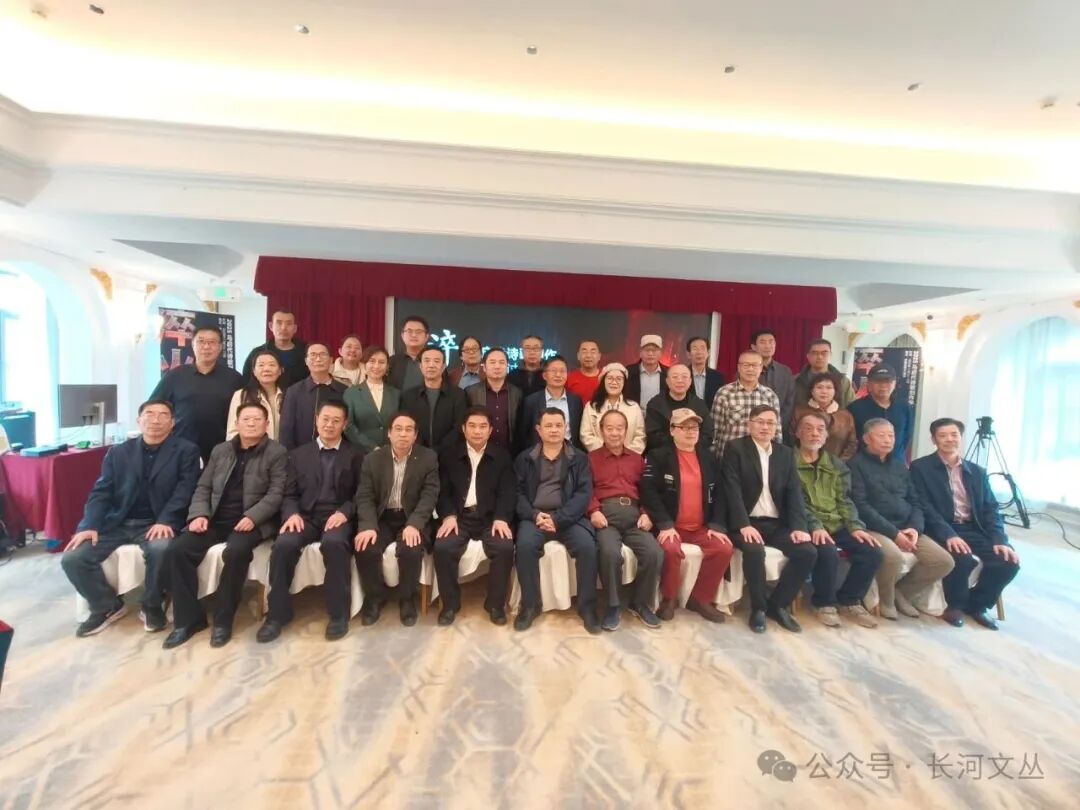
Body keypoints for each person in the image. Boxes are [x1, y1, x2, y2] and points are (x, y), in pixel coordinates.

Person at [62, 400, 201, 637]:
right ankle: (106, 606)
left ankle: (152, 605)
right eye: (149, 414)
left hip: (157, 522)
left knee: (161, 549)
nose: (155, 420)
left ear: (172, 423)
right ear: (139, 421)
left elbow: (185, 491)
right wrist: (89, 525)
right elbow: (101, 492)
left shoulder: (186, 451)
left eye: (163, 415)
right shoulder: (119, 452)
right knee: (73, 558)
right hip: (117, 522)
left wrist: (166, 520)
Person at [162, 403, 288, 649]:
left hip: (253, 522)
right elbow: (203, 487)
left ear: (267, 424)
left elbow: (276, 493)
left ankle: (223, 619)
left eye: (257, 419)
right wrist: (199, 514)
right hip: (215, 519)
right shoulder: (221, 450)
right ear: (236, 423)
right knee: (178, 550)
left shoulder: (277, 452)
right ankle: (188, 620)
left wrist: (253, 516)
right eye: (246, 419)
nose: (251, 423)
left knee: (236, 552)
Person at [256, 401, 365, 643]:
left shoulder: (356, 454)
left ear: (345, 424)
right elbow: (288, 493)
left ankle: (338, 615)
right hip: (305, 516)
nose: (329, 425)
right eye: (325, 419)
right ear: (316, 420)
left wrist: (345, 512)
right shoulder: (297, 455)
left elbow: (363, 494)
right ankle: (276, 615)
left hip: (338, 516)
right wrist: (292, 514)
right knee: (284, 545)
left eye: (336, 421)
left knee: (335, 544)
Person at [911, 418, 1020, 630]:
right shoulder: (920, 467)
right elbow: (924, 506)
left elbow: (990, 508)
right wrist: (949, 534)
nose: (949, 439)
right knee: (962, 558)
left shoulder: (977, 472)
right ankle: (955, 606)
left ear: (961, 437)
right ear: (933, 439)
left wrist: (1000, 539)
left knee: (1008, 561)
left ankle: (977, 605)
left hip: (973, 528)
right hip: (940, 527)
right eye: (943, 435)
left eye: (954, 435)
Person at [848, 418, 955, 620]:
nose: (888, 440)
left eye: (891, 435)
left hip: (906, 527)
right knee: (893, 557)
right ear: (866, 439)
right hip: (874, 527)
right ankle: (886, 599)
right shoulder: (855, 465)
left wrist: (914, 528)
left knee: (943, 561)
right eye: (881, 435)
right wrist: (894, 534)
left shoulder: (900, 466)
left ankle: (902, 592)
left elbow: (916, 501)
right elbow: (861, 506)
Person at [721, 404, 814, 634]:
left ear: (776, 427)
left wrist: (799, 526)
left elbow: (794, 492)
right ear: (750, 424)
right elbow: (731, 489)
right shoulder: (736, 448)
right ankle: (759, 608)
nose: (765, 427)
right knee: (754, 551)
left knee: (807, 552)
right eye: (760, 422)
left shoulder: (785, 454)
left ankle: (778, 605)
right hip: (746, 522)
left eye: (770, 423)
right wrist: (743, 524)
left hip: (776, 523)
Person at [640, 408, 733, 624]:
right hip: (672, 524)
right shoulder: (658, 456)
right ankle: (669, 599)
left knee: (724, 548)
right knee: (671, 549)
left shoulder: (709, 457)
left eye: (694, 427)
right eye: (684, 427)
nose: (691, 432)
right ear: (672, 430)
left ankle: (700, 599)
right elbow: (648, 492)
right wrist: (665, 524)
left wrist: (717, 525)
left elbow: (721, 493)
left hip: (701, 526)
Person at [793, 411, 883, 629]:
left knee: (872, 551)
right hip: (805, 524)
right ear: (797, 433)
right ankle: (824, 603)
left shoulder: (836, 464)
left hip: (836, 523)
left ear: (826, 436)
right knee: (827, 551)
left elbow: (845, 500)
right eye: (808, 429)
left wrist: (855, 527)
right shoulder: (788, 462)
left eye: (820, 430)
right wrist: (815, 526)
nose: (815, 434)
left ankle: (850, 600)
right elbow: (795, 502)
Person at [513, 408, 599, 634]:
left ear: (566, 428)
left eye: (558, 425)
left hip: (567, 517)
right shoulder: (525, 458)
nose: (554, 430)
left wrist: (559, 519)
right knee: (524, 546)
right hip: (535, 517)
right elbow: (517, 494)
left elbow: (583, 494)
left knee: (587, 547)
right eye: (548, 426)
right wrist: (534, 515)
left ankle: (587, 607)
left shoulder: (579, 458)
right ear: (538, 430)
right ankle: (530, 606)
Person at [350, 412, 439, 627]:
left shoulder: (428, 458)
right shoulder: (373, 459)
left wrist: (414, 524)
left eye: (409, 430)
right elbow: (364, 496)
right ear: (389, 433)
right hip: (383, 517)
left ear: (415, 435)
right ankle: (375, 597)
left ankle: (407, 598)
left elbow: (429, 495)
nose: (403, 434)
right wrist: (368, 526)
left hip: (412, 516)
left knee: (411, 548)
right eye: (398, 429)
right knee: (365, 547)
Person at [433, 406, 516, 626]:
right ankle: (450, 604)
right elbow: (442, 492)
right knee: (443, 547)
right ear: (463, 429)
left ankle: (495, 605)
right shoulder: (450, 455)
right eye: (472, 426)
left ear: (490, 430)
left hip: (490, 518)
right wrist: (448, 515)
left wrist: (501, 517)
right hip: (460, 518)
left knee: (504, 547)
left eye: (482, 426)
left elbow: (508, 492)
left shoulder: (502, 456)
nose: (477, 431)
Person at [588, 410, 664, 631]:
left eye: (619, 428)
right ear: (601, 431)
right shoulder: (590, 459)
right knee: (610, 553)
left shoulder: (637, 459)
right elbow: (585, 490)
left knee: (654, 552)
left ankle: (639, 603)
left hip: (634, 516)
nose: (615, 433)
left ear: (626, 430)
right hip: (606, 516)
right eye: (609, 428)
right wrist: (593, 511)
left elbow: (648, 491)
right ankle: (613, 605)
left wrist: (647, 513)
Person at [151, 324, 243, 462]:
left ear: (220, 347)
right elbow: (154, 406)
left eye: (212, 342)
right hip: (180, 448)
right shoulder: (175, 375)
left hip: (223, 450)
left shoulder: (234, 378)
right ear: (193, 345)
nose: (206, 347)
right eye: (201, 341)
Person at [709, 350, 782, 458]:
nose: (750, 369)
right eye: (746, 365)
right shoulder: (724, 393)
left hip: (760, 457)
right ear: (739, 367)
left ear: (761, 368)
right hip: (730, 456)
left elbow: (777, 431)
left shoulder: (770, 396)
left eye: (754, 365)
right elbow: (715, 429)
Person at [279, 343, 347, 450]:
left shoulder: (344, 391)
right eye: (313, 355)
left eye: (322, 354)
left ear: (331, 360)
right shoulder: (294, 391)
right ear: (306, 361)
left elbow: (348, 427)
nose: (318, 359)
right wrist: (291, 455)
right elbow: (286, 429)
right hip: (300, 453)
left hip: (337, 452)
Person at [401, 346, 468, 452]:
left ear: (443, 366)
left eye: (436, 361)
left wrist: (438, 450)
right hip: (417, 453)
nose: (431, 365)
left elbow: (459, 427)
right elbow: (406, 424)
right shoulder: (409, 396)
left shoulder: (458, 395)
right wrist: (423, 451)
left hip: (449, 453)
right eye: (427, 361)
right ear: (420, 366)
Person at [466, 347, 524, 456]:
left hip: (509, 453)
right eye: (492, 362)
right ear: (484, 367)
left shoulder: (517, 393)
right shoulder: (471, 392)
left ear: (507, 366)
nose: (497, 366)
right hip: (479, 453)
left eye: (502, 362)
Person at [519, 355, 584, 450]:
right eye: (553, 371)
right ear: (544, 375)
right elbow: (524, 434)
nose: (558, 375)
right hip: (540, 453)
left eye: (562, 371)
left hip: (570, 453)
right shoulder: (531, 401)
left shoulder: (575, 401)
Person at [848, 364, 915, 456]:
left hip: (896, 461)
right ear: (869, 384)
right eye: (878, 381)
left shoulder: (905, 407)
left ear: (895, 384)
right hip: (865, 461)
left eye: (887, 381)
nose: (883, 385)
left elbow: (907, 436)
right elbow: (850, 440)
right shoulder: (855, 408)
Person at [579, 362, 646, 454]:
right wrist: (606, 452)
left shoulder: (634, 407)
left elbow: (640, 436)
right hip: (600, 457)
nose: (614, 382)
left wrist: (625, 454)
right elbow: (586, 435)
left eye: (619, 379)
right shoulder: (591, 407)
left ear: (624, 383)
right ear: (603, 381)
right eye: (610, 378)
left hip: (628, 458)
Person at [645, 363, 713, 452]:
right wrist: (680, 445)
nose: (680, 380)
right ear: (667, 381)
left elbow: (708, 434)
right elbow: (653, 437)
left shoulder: (699, 404)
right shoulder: (655, 404)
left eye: (684, 377)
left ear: (690, 381)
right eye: (675, 377)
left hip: (694, 452)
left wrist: (690, 447)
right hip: (665, 453)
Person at [344, 345, 401, 452]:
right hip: (361, 452)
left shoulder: (395, 393)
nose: (376, 366)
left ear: (387, 367)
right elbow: (348, 426)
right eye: (372, 361)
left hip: (391, 452)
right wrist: (372, 447)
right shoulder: (351, 393)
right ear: (364, 365)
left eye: (381, 362)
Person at [792, 373, 857, 461]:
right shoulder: (798, 412)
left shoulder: (845, 416)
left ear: (835, 391)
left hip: (837, 465)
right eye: (819, 387)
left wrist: (838, 463)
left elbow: (852, 444)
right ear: (812, 391)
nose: (824, 391)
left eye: (829, 388)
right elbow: (791, 439)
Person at [241, 309, 309, 390]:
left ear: (295, 328)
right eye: (279, 323)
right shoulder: (257, 353)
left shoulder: (307, 352)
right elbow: (246, 381)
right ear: (271, 326)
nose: (283, 328)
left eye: (288, 324)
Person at [226, 349, 284, 441]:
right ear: (254, 371)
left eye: (272, 365)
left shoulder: (288, 395)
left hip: (282, 449)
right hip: (250, 449)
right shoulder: (242, 395)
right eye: (261, 365)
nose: (266, 369)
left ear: (280, 370)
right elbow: (233, 432)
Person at [751, 329, 795, 442]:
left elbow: (789, 403)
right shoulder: (747, 371)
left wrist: (775, 425)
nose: (767, 346)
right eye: (762, 342)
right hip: (753, 430)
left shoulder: (785, 372)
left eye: (771, 342)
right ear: (754, 347)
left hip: (780, 431)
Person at [794, 339, 855, 409]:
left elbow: (852, 406)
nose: (820, 357)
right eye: (815, 353)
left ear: (830, 355)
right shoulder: (796, 381)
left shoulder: (842, 381)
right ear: (808, 356)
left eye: (824, 353)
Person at [387, 315, 430, 392]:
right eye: (409, 331)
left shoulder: (435, 362)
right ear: (402, 336)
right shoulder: (392, 361)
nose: (414, 335)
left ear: (426, 337)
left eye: (418, 332)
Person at [625, 334, 668, 409]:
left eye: (654, 350)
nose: (650, 353)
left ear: (661, 353)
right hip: (635, 413)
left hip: (660, 414)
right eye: (647, 350)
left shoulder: (668, 373)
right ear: (640, 352)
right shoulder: (628, 371)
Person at [686, 336, 725, 407]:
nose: (699, 352)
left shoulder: (718, 377)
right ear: (688, 354)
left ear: (708, 353)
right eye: (695, 348)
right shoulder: (682, 376)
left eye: (702, 348)